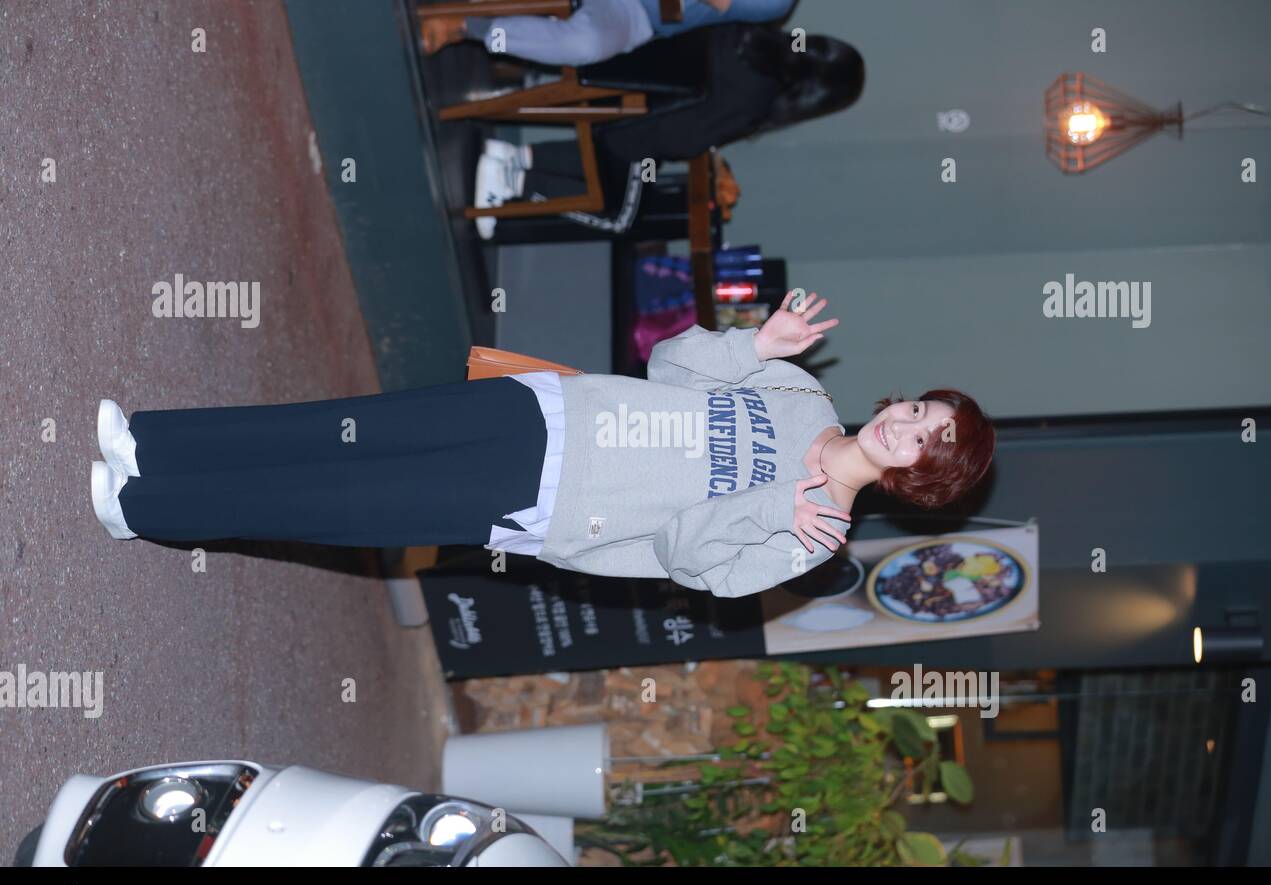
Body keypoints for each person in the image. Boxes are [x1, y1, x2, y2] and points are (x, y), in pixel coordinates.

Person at [90, 293, 995, 598]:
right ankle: (155, 444)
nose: (907, 424)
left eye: (927, 441)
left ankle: (143, 508)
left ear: (922, 479)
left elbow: (684, 560)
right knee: (336, 424)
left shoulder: (814, 538)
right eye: (922, 409)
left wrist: (768, 504)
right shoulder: (803, 395)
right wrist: (754, 346)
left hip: (548, 504)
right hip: (542, 411)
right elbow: (669, 362)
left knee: (335, 503)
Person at [472, 23, 865, 237]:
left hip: (611, 77)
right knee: (620, 215)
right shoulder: (758, 100)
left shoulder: (750, 34)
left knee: (628, 147)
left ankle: (521, 156)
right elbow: (682, 138)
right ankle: (515, 181)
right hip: (628, 126)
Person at [420, 0, 797, 66]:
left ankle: (467, 27)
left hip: (636, 14)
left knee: (585, 45)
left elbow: (717, 2)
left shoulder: (776, 3)